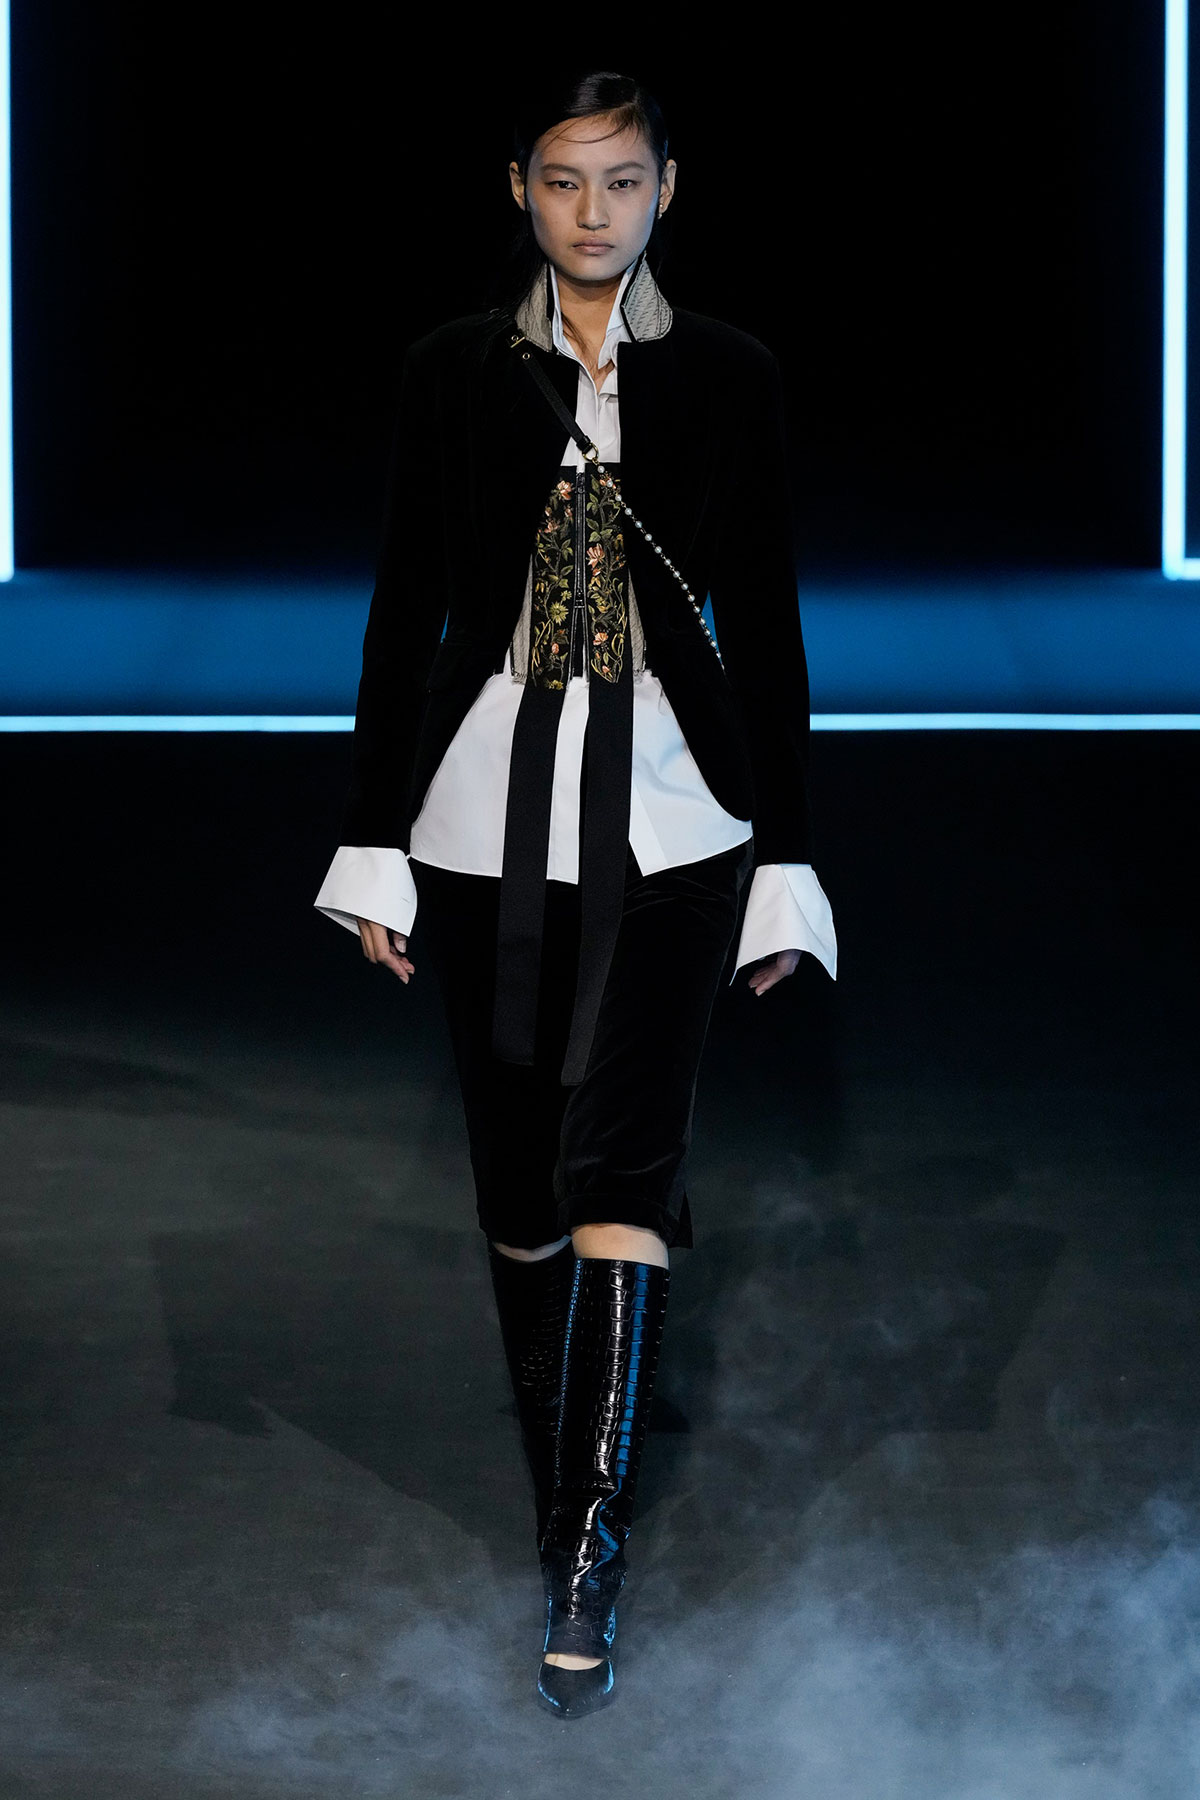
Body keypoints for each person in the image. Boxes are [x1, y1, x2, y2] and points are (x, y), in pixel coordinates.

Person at [313, 68, 837, 1718]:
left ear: (669, 187)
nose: (593, 210)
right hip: (484, 808)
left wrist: (788, 852)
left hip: (676, 810)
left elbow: (767, 617)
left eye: (621, 179)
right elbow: (407, 607)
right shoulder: (454, 371)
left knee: (622, 1161)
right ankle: (571, 1464)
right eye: (563, 179)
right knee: (520, 1184)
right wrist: (373, 836)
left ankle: (583, 1548)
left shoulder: (729, 375)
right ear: (519, 190)